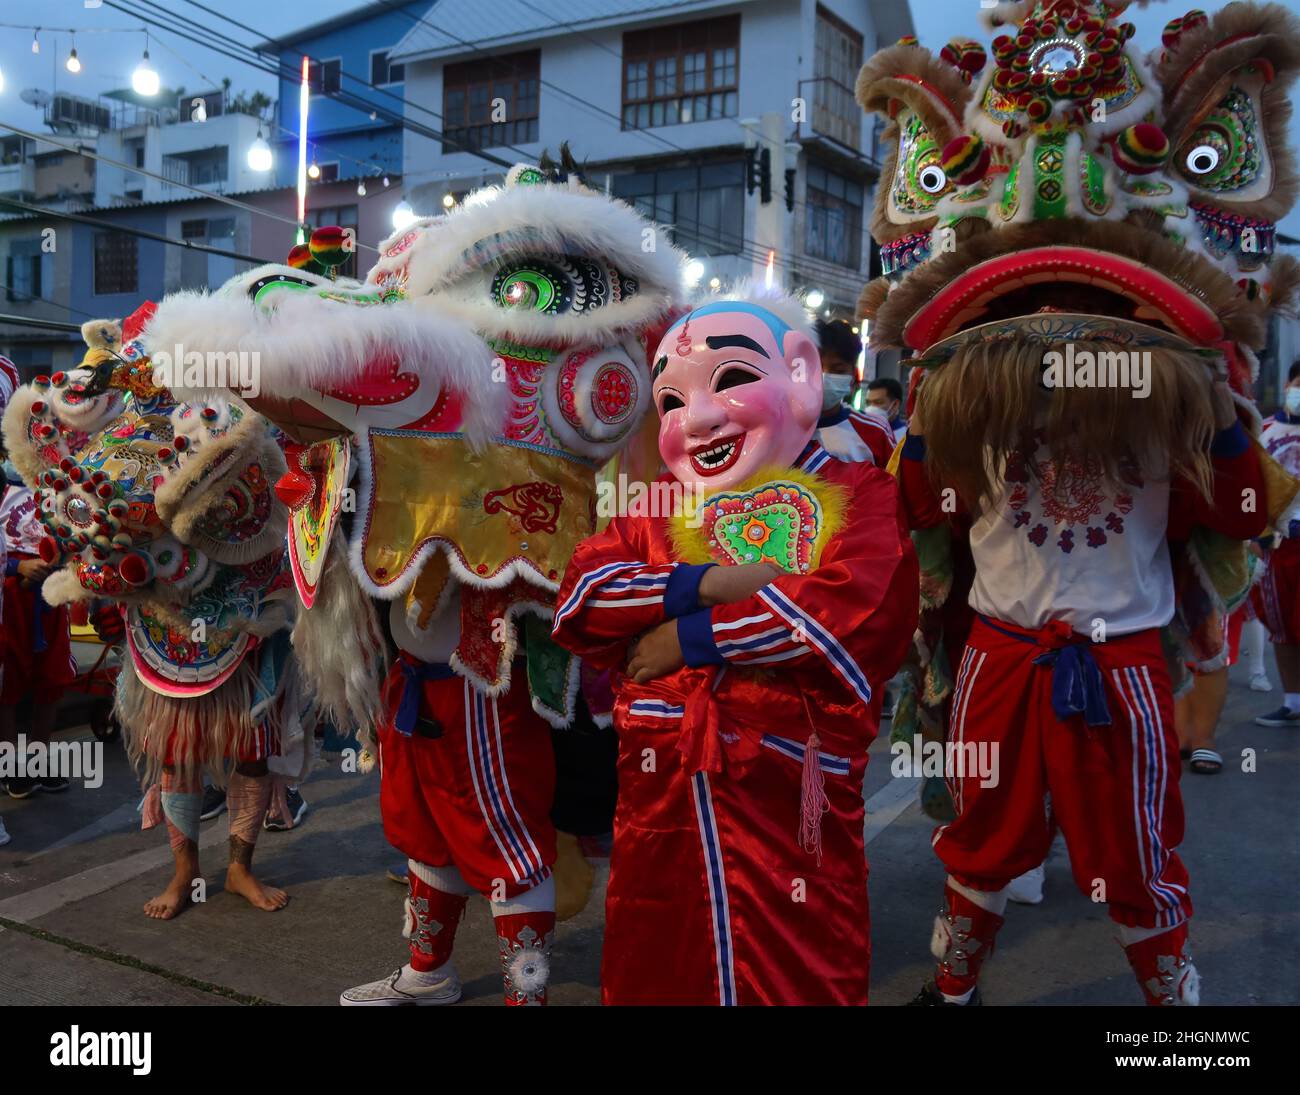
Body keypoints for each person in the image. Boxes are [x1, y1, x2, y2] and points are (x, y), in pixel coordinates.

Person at [552, 289, 919, 1004]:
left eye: (732, 379)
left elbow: (844, 612)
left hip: (789, 793)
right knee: (657, 954)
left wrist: (688, 637)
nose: (701, 416)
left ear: (803, 374)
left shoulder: (857, 491)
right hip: (660, 793)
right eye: (671, 400)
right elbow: (580, 601)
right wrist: (714, 582)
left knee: (797, 957)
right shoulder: (659, 503)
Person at [1252, 362, 1300, 727]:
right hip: (1278, 544)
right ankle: (1292, 700)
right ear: (1287, 384)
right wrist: (1254, 532)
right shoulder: (1263, 431)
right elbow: (1247, 485)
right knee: (1281, 625)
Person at [814, 317, 895, 465]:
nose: (823, 377)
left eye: (838, 370)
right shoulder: (778, 426)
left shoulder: (876, 431)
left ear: (853, 374)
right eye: (815, 367)